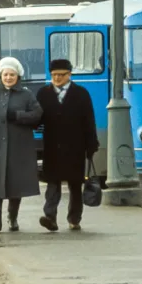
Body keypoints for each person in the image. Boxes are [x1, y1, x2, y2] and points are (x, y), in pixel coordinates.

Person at [0, 57, 42, 232]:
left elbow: (37, 115)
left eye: (12, 75)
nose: (8, 78)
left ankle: (12, 218)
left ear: (17, 76)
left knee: (16, 185)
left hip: (19, 147)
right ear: (1, 75)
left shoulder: (26, 95)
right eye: (5, 75)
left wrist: (19, 116)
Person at [36, 59, 99, 232]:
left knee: (75, 185)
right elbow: (36, 117)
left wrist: (91, 144)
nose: (56, 78)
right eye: (54, 75)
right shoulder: (43, 93)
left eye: (61, 75)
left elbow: (89, 121)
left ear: (69, 75)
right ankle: (50, 217)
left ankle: (74, 219)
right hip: (52, 147)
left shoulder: (81, 93)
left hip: (76, 147)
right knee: (52, 184)